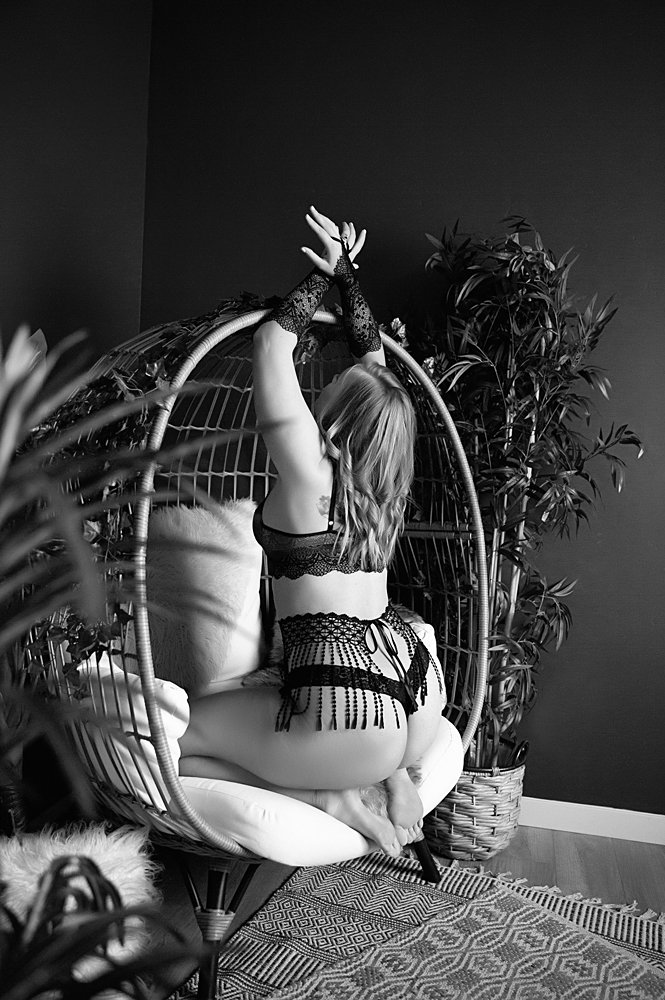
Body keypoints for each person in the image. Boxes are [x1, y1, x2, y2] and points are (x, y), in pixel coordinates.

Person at [178, 206, 445, 857]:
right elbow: (376, 365)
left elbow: (271, 343)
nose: (323, 384)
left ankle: (325, 796)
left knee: (169, 746)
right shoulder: (382, 489)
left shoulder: (311, 471)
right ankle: (388, 781)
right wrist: (347, 278)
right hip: (410, 704)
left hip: (344, 720)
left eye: (335, 386)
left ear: (342, 412)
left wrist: (318, 274)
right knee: (306, 678)